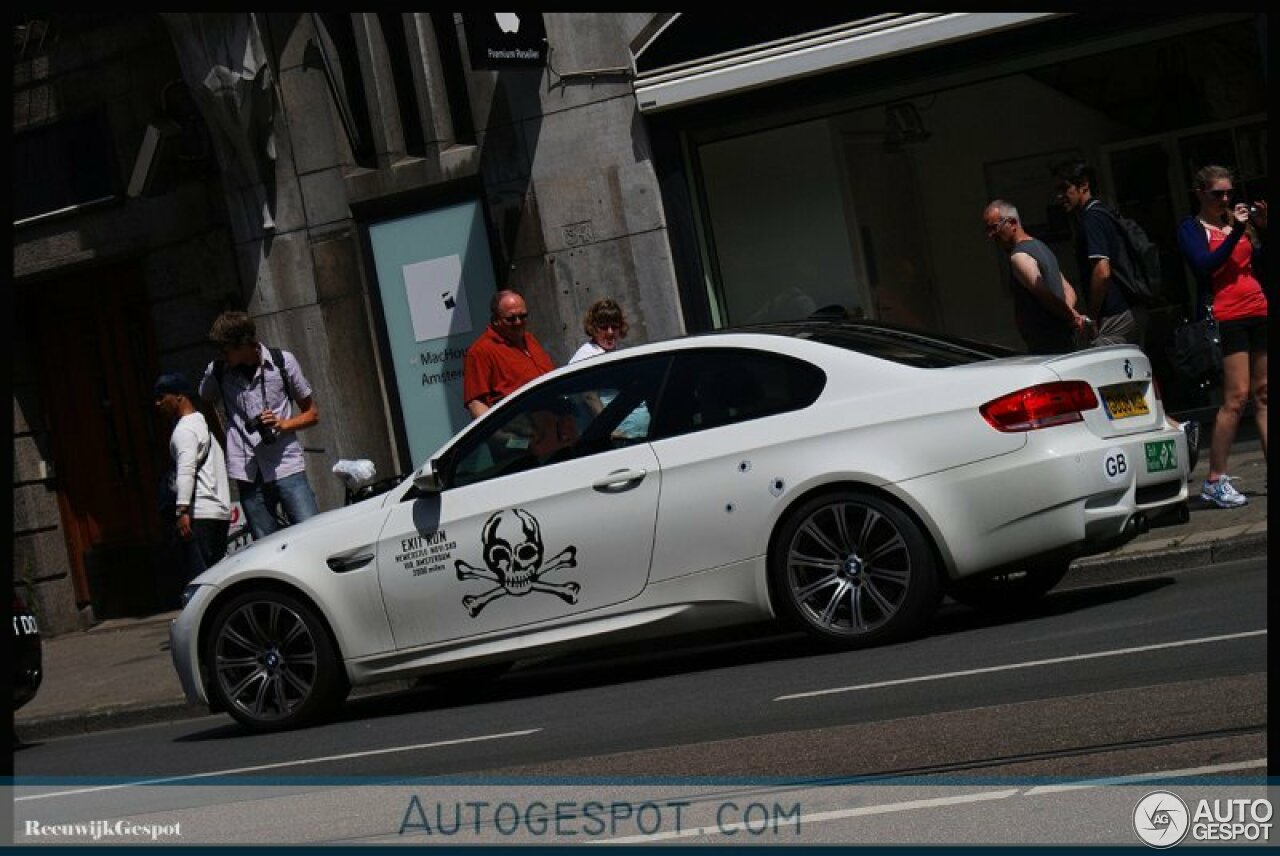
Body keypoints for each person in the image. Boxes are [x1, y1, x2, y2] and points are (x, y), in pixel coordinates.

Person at [1175, 165, 1268, 509]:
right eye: (1217, 193)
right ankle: (1215, 479)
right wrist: (1235, 232)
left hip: (1257, 309)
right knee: (1235, 398)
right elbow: (1205, 265)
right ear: (1199, 193)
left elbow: (1256, 262)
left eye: (1228, 192)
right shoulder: (1191, 228)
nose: (1224, 199)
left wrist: (1262, 230)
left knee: (1264, 394)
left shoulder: (1237, 224)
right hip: (1226, 316)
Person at [199, 311, 321, 539]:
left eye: (226, 350)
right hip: (247, 471)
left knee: (311, 534)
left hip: (286, 465)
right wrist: (224, 437)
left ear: (243, 344)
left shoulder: (282, 362)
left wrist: (283, 424)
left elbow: (312, 413)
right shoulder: (217, 372)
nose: (222, 356)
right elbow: (206, 401)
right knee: (265, 546)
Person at [1052, 160, 1147, 347]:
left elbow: (1102, 272)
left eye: (1065, 188)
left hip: (1114, 315)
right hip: (1130, 310)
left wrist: (1092, 316)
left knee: (1111, 372)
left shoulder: (1092, 219)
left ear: (1084, 185)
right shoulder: (1103, 211)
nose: (1060, 196)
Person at [983, 199, 1090, 354]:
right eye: (987, 229)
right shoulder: (1041, 247)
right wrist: (1070, 313)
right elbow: (1067, 289)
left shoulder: (1019, 257)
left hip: (1048, 346)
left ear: (1012, 223)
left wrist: (1071, 318)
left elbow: (1044, 294)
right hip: (1064, 339)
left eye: (994, 228)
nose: (990, 235)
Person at [155, 372, 231, 580]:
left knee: (201, 583)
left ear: (179, 396)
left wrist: (182, 511)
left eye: (162, 396)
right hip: (219, 512)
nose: (158, 403)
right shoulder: (203, 423)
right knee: (218, 580)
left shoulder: (184, 430)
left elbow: (186, 471)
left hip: (200, 514)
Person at [462, 289, 555, 419]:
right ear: (495, 320)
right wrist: (506, 438)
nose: (518, 322)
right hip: (524, 430)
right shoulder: (480, 351)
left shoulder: (529, 339)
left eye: (523, 316)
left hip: (555, 426)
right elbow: (477, 404)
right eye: (511, 318)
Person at [568, 298, 650, 439]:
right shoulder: (587, 355)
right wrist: (608, 429)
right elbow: (588, 395)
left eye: (615, 326)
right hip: (617, 437)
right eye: (604, 327)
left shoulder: (614, 351)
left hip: (636, 434)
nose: (610, 332)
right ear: (593, 328)